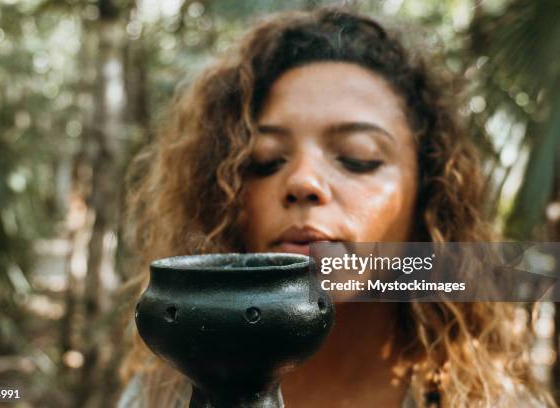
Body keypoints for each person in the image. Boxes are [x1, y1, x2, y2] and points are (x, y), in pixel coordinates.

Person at [118, 7, 553, 408]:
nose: (304, 181)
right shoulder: (158, 398)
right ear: (227, 199)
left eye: (357, 157)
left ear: (428, 193)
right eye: (264, 161)